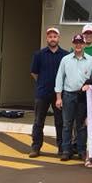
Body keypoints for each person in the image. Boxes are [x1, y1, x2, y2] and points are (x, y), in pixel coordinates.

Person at [29, 26, 68, 158]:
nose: (52, 39)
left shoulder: (65, 55)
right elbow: (34, 73)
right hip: (42, 93)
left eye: (55, 36)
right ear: (47, 38)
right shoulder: (39, 54)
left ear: (58, 38)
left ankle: (62, 149)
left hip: (59, 95)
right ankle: (35, 148)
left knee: (60, 122)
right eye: (50, 36)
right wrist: (42, 83)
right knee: (38, 122)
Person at [54, 34, 92, 161]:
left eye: (80, 42)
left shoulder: (91, 60)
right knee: (67, 124)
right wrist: (58, 97)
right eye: (76, 42)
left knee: (81, 125)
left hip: (83, 96)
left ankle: (81, 150)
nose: (78, 45)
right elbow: (60, 78)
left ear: (84, 44)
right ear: (73, 44)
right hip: (68, 94)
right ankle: (66, 150)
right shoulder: (65, 60)